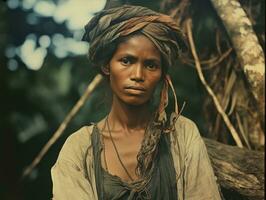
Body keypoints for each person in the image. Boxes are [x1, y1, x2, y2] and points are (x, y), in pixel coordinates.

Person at [51, 5, 221, 200]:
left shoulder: (182, 135)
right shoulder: (80, 147)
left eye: (151, 65)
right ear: (107, 66)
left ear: (161, 74)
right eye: (126, 61)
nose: (138, 75)